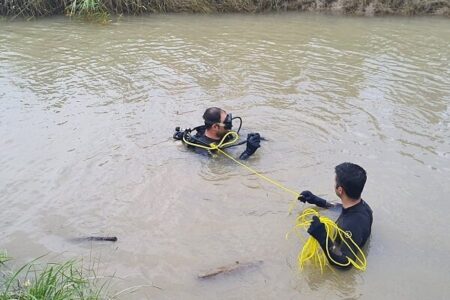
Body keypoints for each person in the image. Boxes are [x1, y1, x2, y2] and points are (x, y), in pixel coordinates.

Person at [299, 162, 373, 269]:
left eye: (335, 182)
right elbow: (342, 208)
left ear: (340, 190)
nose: (334, 184)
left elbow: (346, 264)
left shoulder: (350, 226)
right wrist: (318, 201)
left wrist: (323, 237)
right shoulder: (364, 207)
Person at [174, 107, 261, 160]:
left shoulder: (225, 132)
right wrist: (248, 153)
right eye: (226, 121)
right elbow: (226, 167)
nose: (230, 123)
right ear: (215, 127)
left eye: (228, 118)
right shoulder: (202, 148)